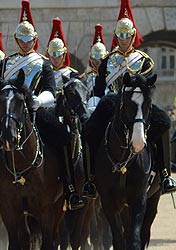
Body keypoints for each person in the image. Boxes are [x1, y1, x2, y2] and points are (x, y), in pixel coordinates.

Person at [0, 0, 80, 211]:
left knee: (63, 137)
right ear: (16, 40)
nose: (25, 43)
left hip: (34, 111)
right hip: (9, 112)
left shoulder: (43, 63)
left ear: (35, 40)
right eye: (21, 39)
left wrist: (38, 101)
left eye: (29, 39)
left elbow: (50, 89)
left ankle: (69, 189)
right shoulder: (5, 64)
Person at [84, 0, 176, 196]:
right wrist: (93, 104)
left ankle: (165, 173)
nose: (124, 38)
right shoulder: (107, 61)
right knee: (89, 129)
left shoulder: (144, 60)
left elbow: (148, 87)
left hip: (138, 106)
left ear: (133, 35)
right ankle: (90, 178)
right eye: (121, 35)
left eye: (127, 35)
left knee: (164, 123)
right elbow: (99, 89)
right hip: (112, 106)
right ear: (116, 37)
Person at [45, 17, 87, 209]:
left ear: (64, 55)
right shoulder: (42, 73)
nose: (55, 58)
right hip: (46, 117)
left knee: (72, 139)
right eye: (52, 55)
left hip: (66, 119)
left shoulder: (71, 74)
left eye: (58, 55)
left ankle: (73, 186)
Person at [80, 24, 108, 199]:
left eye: (101, 59)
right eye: (95, 59)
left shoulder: (110, 74)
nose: (97, 62)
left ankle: (161, 172)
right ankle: (88, 177)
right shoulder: (83, 78)